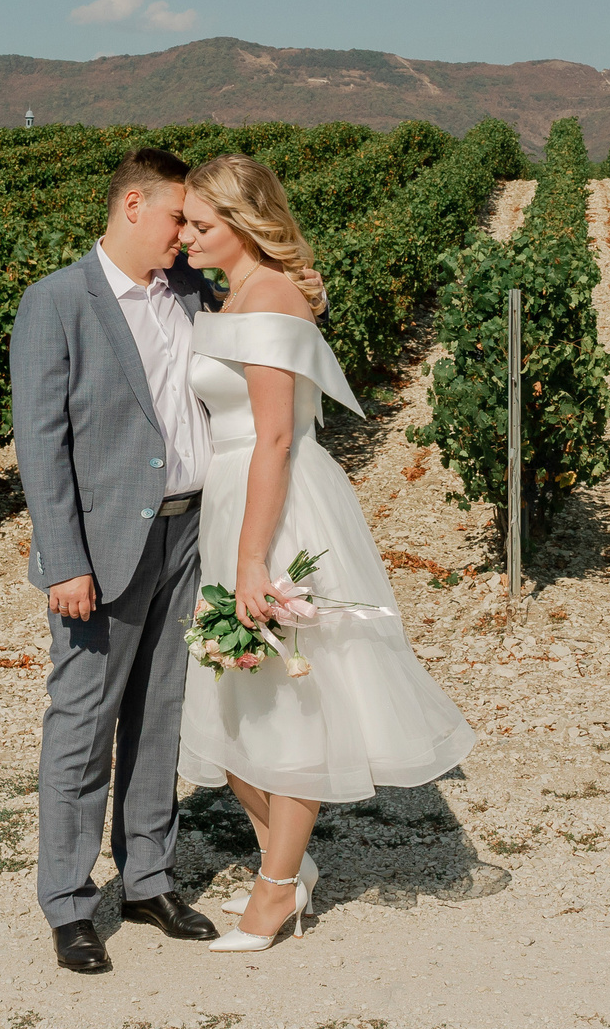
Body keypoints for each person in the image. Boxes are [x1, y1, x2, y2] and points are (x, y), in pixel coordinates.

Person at [175, 154, 475, 953]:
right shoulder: (232, 292)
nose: (187, 236)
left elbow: (274, 435)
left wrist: (250, 559)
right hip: (230, 498)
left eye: (201, 224)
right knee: (233, 690)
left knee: (285, 693)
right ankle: (288, 866)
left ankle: (276, 889)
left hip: (272, 504)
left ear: (242, 223)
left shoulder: (270, 296)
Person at [11, 147, 223, 974]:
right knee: (83, 723)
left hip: (188, 532)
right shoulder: (57, 302)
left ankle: (148, 877)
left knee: (161, 714)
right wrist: (63, 558)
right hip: (100, 550)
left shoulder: (194, 294)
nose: (187, 235)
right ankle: (68, 901)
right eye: (179, 217)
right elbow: (42, 441)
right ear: (133, 205)